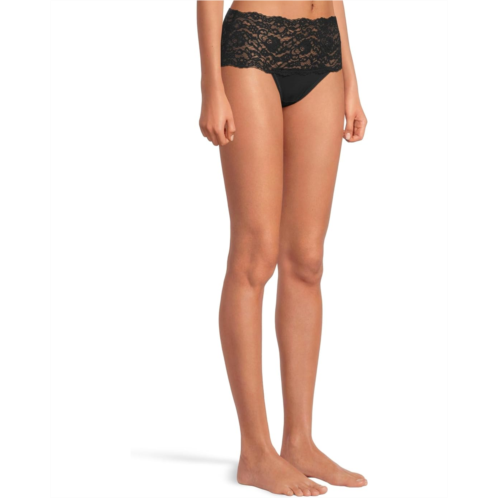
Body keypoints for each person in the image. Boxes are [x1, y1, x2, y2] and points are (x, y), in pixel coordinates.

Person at [197, 1, 368, 495]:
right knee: (255, 256)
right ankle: (255, 452)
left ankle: (299, 442)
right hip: (253, 46)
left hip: (323, 49)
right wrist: (211, 85)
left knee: (307, 262)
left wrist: (351, 79)